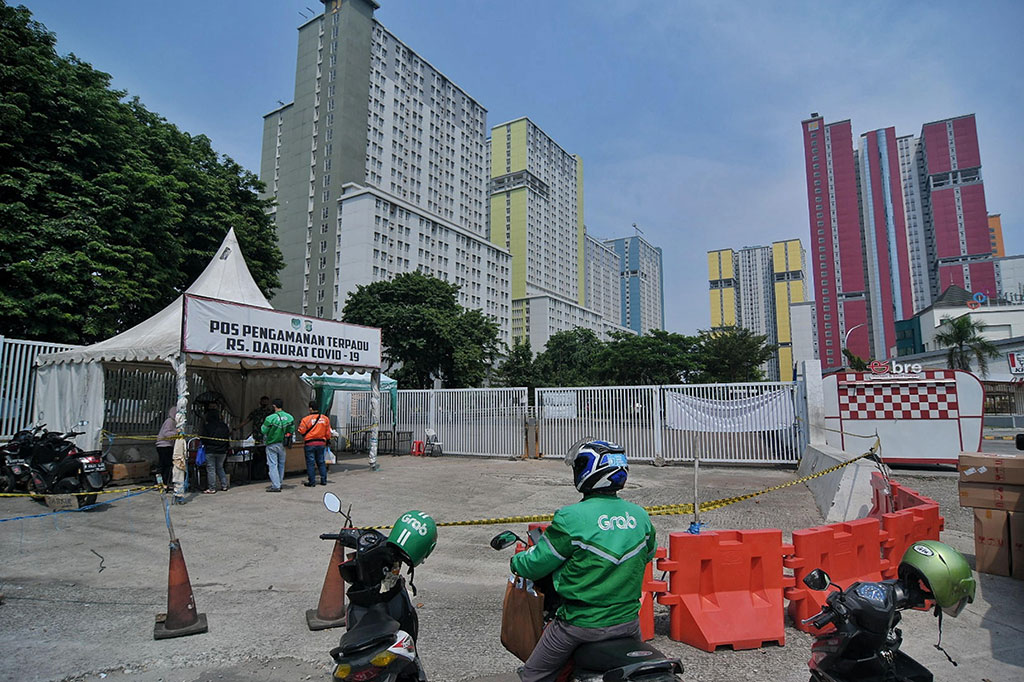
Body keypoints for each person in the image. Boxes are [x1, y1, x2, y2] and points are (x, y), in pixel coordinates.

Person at [509, 440, 655, 682]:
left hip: (580, 624)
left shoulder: (571, 517)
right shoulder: (640, 516)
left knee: (533, 675)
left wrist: (516, 561)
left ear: (588, 472)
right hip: (628, 622)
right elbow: (646, 556)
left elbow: (535, 564)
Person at [260, 398, 294, 493]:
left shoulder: (270, 418)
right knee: (281, 464)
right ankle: (279, 482)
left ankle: (276, 485)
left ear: (274, 406)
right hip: (283, 444)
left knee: (272, 464)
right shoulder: (289, 417)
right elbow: (291, 430)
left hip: (271, 443)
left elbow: (263, 430)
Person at [298, 401, 332, 487]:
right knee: (321, 462)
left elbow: (301, 431)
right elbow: (328, 433)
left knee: (310, 463)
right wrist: (328, 440)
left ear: (310, 408)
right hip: (321, 443)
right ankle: (323, 480)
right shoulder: (325, 419)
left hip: (310, 444)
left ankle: (312, 482)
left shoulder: (306, 419)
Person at [199, 409, 231, 493]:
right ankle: (224, 485)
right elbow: (228, 437)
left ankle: (212, 488)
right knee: (220, 467)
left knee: (211, 469)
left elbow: (203, 438)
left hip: (210, 450)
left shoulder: (207, 426)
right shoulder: (224, 426)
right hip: (222, 451)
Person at [155, 406, 177, 490]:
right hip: (164, 445)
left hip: (166, 445)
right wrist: (176, 433)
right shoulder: (170, 421)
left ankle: (160, 483)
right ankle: (162, 483)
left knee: (163, 465)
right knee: (165, 465)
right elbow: (166, 433)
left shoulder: (173, 422)